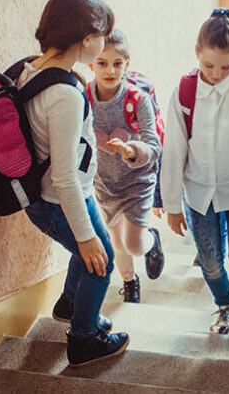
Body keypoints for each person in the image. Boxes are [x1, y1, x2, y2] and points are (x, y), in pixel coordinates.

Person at [17, 0, 128, 367]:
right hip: (60, 200)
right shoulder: (64, 94)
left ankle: (69, 305)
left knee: (90, 254)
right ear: (85, 39)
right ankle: (84, 339)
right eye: (102, 35)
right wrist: (84, 236)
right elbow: (63, 174)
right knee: (101, 258)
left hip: (59, 196)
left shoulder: (33, 67)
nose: (104, 42)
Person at [161, 8, 229, 335]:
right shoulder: (185, 91)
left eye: (226, 66)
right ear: (197, 52)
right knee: (209, 259)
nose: (217, 73)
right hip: (197, 194)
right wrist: (171, 205)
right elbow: (174, 150)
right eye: (208, 65)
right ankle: (223, 305)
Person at [86, 29, 165, 304]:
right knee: (116, 243)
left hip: (137, 180)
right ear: (90, 63)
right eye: (102, 63)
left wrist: (132, 150)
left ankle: (152, 240)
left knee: (133, 243)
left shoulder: (136, 99)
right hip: (105, 183)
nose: (110, 70)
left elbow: (154, 145)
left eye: (117, 63)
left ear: (127, 64)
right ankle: (130, 283)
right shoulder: (83, 98)